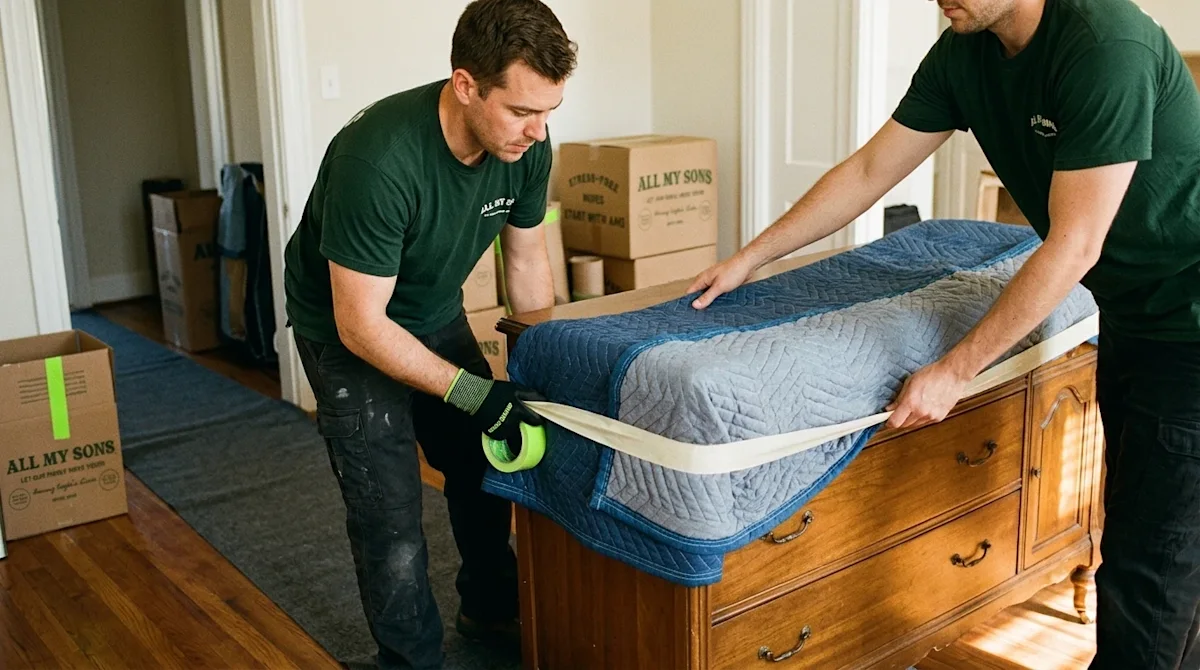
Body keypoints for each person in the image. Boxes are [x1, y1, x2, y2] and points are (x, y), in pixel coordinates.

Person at [688, 0, 1200, 667]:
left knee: (1150, 567)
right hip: (1135, 312)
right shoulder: (965, 49)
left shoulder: (1105, 46)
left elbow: (1074, 245)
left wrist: (955, 372)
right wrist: (751, 257)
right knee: (1156, 542)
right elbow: (869, 171)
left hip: (1190, 318)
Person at [281, 1, 576, 667]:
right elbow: (362, 326)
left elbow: (526, 262)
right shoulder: (378, 160)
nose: (538, 130)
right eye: (522, 111)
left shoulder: (526, 146)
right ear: (466, 84)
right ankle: (410, 661)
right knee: (389, 511)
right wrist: (478, 394)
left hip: (431, 309)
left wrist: (534, 377)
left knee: (479, 464)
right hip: (346, 329)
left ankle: (490, 611)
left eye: (549, 112)